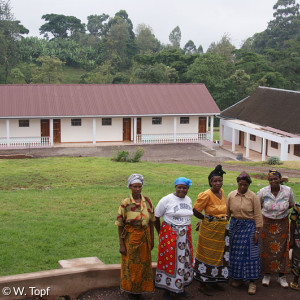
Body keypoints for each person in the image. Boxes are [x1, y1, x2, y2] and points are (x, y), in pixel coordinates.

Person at [115, 174, 155, 300]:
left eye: (139, 186)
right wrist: (121, 244)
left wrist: (152, 239)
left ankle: (140, 291)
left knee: (143, 265)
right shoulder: (126, 203)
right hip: (131, 238)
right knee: (131, 266)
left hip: (145, 237)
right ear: (130, 187)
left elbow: (152, 221)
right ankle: (131, 291)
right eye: (134, 186)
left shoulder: (147, 201)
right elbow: (120, 224)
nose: (137, 189)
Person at [154, 177, 193, 300]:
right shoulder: (167, 200)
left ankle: (180, 288)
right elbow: (156, 216)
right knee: (169, 261)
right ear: (175, 187)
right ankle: (166, 290)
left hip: (185, 235)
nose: (182, 189)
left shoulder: (188, 200)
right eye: (179, 187)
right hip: (170, 235)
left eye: (184, 188)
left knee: (184, 261)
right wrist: (161, 233)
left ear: (188, 189)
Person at [193, 165, 229, 296]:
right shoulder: (206, 195)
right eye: (215, 181)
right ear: (210, 182)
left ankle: (214, 280)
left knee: (218, 255)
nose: (218, 183)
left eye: (220, 180)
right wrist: (205, 219)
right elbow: (196, 210)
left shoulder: (223, 192)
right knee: (206, 254)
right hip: (209, 231)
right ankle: (202, 283)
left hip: (220, 231)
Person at [226, 171, 263, 295]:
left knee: (250, 254)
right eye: (241, 184)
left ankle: (252, 282)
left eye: (245, 185)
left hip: (249, 227)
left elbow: (258, 215)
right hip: (235, 227)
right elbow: (227, 214)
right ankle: (238, 279)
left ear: (248, 185)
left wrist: (257, 232)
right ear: (237, 183)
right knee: (235, 253)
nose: (242, 187)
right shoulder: (231, 195)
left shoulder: (253, 197)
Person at [257, 169, 295, 288]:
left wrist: (280, 212)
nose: (273, 181)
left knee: (282, 250)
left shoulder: (288, 191)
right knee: (266, 249)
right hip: (266, 224)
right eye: (271, 179)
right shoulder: (263, 192)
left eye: (275, 179)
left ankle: (281, 276)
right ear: (268, 180)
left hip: (282, 224)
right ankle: (266, 275)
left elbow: (291, 204)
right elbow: (258, 207)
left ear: (280, 179)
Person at [290, 202, 300, 290]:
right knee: (297, 258)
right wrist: (292, 239)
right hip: (298, 237)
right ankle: (295, 281)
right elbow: (292, 223)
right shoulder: (298, 206)